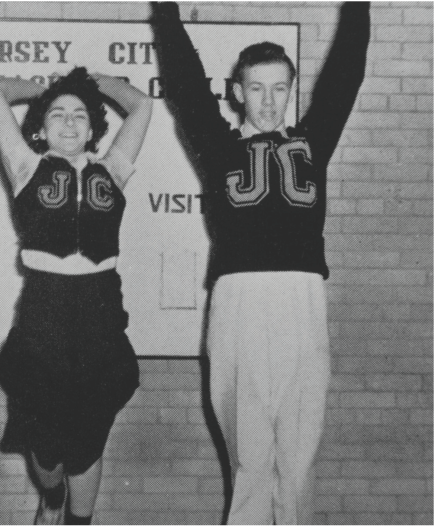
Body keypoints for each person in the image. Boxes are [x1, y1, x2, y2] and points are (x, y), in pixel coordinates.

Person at [150, 1, 370, 524]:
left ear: (290, 90)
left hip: (301, 298)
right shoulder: (218, 145)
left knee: (298, 455)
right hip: (240, 299)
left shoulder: (312, 142)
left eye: (279, 88)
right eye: (256, 88)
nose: (268, 101)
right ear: (237, 92)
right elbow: (182, 83)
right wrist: (165, 11)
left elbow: (345, 74)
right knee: (249, 455)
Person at [0, 68, 153, 526]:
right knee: (47, 451)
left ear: (94, 126)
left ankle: (79, 522)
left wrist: (86, 82)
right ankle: (52, 497)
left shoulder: (112, 169)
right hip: (45, 315)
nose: (70, 122)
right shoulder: (26, 165)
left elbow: (141, 104)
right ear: (40, 127)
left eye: (80, 115)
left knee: (87, 441)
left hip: (100, 313)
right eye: (58, 115)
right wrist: (51, 88)